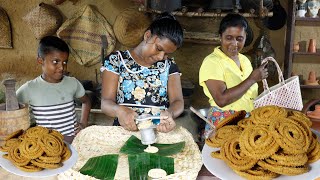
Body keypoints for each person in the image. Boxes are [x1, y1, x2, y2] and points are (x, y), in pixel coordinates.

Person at [101, 12, 184, 133]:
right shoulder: (116, 61)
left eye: (167, 54)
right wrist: (119, 111)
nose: (161, 57)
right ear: (147, 35)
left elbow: (178, 101)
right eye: (159, 49)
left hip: (158, 133)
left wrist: (169, 113)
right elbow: (106, 103)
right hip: (124, 132)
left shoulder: (169, 66)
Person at [199, 13, 268, 136]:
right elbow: (221, 99)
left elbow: (248, 95)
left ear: (245, 37)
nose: (234, 43)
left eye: (239, 39)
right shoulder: (212, 62)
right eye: (229, 38)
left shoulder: (245, 60)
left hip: (247, 122)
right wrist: (252, 79)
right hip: (223, 122)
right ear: (220, 37)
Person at [16, 36, 91, 137]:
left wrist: (83, 123)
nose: (61, 67)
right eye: (55, 62)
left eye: (65, 62)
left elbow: (86, 101)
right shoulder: (29, 89)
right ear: (40, 61)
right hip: (47, 145)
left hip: (73, 142)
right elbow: (12, 113)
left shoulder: (72, 83)